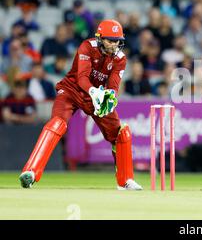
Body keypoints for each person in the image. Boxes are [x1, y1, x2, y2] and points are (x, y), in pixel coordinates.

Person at [19, 19, 143, 190]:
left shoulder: (120, 59)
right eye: (110, 40)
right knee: (57, 123)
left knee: (121, 134)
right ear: (100, 38)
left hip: (97, 98)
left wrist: (110, 97)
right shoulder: (87, 47)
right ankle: (31, 172)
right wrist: (94, 92)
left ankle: (125, 181)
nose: (114, 45)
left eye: (117, 41)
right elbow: (82, 77)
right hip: (72, 91)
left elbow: (114, 86)